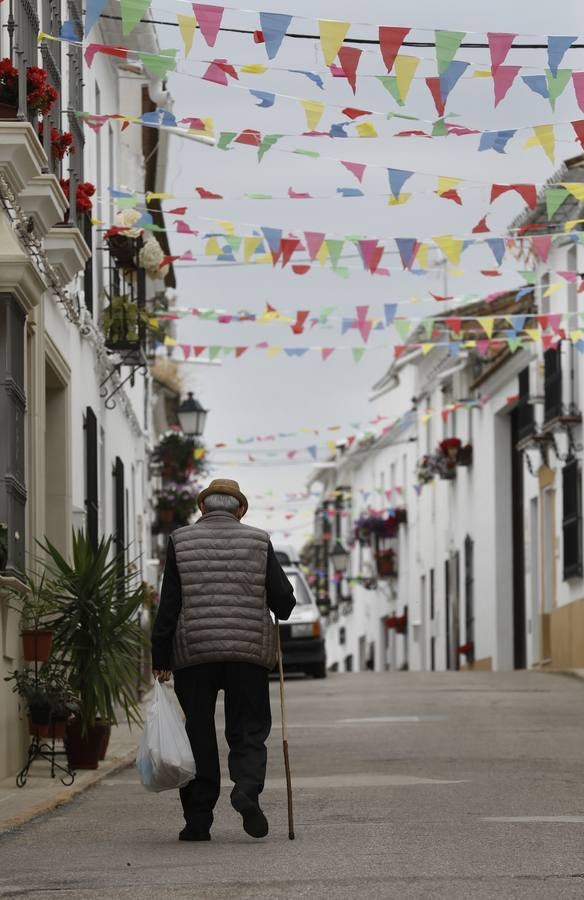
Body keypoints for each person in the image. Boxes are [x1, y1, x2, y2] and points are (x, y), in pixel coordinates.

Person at [151, 478, 296, 843]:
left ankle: (198, 821)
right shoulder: (259, 541)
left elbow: (169, 604)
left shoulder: (180, 541)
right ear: (240, 510)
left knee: (198, 732)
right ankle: (246, 789)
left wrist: (160, 657)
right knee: (248, 727)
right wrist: (277, 601)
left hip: (194, 653)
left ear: (203, 507)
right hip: (248, 654)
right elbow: (284, 602)